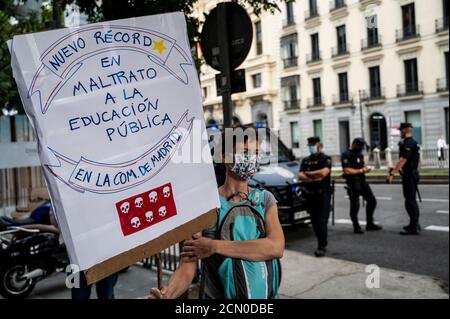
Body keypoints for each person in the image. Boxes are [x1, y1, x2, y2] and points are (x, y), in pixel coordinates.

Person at [148, 127, 284, 299]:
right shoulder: (205, 205)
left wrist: (214, 246)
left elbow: (276, 247)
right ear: (225, 157)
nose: (253, 158)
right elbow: (187, 267)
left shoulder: (265, 200)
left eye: (256, 152)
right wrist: (168, 294)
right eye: (245, 151)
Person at [298, 137, 332, 257]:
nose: (311, 147)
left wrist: (308, 174)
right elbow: (300, 175)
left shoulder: (326, 159)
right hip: (310, 195)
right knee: (315, 222)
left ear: (319, 145)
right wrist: (313, 177)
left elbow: (323, 173)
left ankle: (322, 246)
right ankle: (321, 242)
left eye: (314, 145)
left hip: (323, 194)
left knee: (321, 221)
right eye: (310, 145)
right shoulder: (306, 160)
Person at [341, 138, 382, 234]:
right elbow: (346, 170)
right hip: (352, 182)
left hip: (362, 180)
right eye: (359, 146)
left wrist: (366, 169)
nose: (361, 148)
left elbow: (362, 166)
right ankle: (356, 226)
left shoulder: (359, 154)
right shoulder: (346, 154)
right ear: (354, 144)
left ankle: (369, 223)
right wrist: (360, 171)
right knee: (355, 204)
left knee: (372, 201)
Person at [387, 123, 421, 235]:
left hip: (410, 175)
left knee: (410, 201)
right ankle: (413, 224)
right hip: (411, 173)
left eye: (401, 130)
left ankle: (414, 226)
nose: (400, 131)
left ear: (406, 130)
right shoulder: (410, 142)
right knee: (410, 200)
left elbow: (403, 160)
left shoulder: (409, 143)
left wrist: (392, 173)